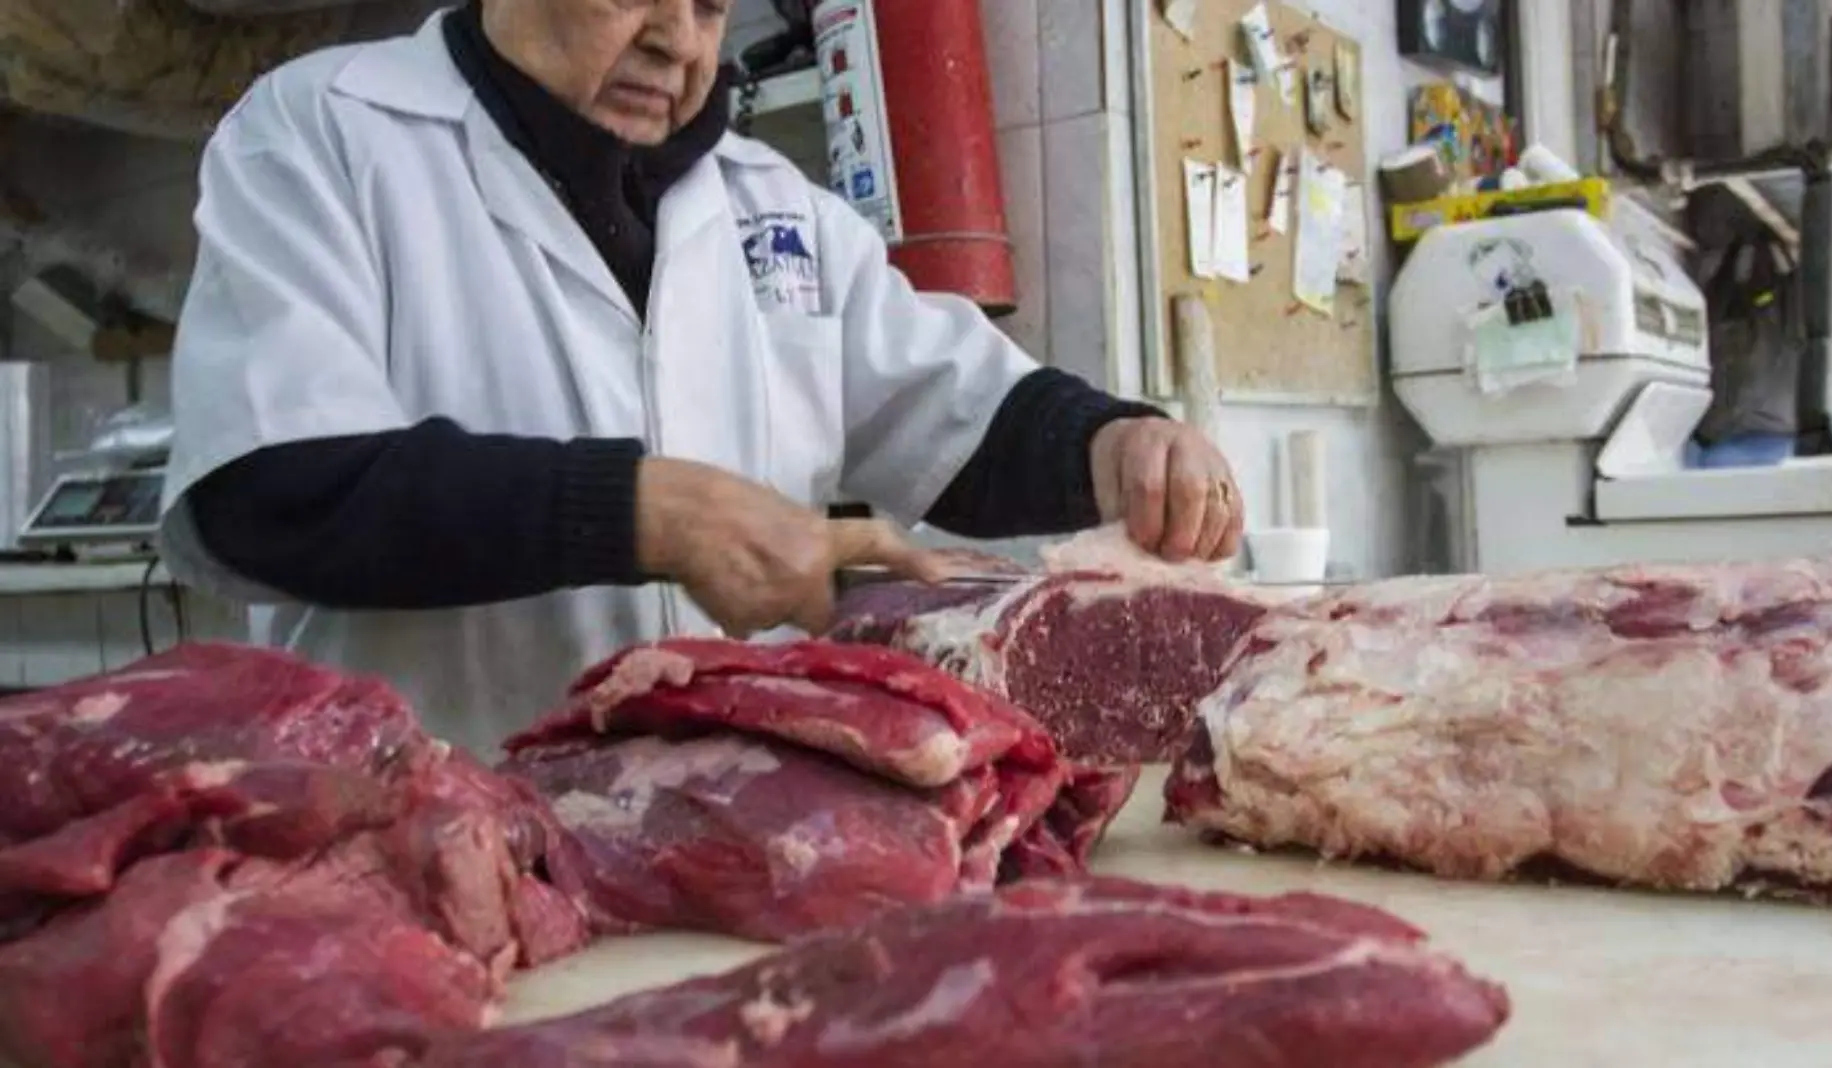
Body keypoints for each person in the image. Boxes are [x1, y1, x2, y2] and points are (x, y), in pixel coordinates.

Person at [158, 0, 1244, 756]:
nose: (676, 42)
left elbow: (954, 410)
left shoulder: (777, 207)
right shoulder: (323, 132)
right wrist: (648, 512)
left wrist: (1109, 440)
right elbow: (271, 490)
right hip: (429, 827)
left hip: (728, 834)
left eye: (712, 5)